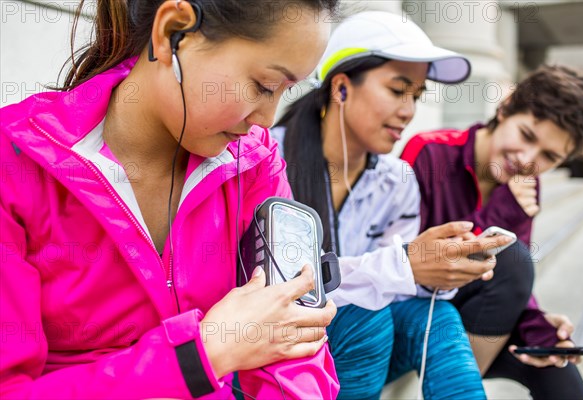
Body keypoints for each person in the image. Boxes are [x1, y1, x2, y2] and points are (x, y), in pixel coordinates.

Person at [0, 0, 342, 398]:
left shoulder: (254, 162)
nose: (267, 118)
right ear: (172, 31)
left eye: (285, 91)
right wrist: (200, 355)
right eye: (263, 86)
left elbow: (294, 343)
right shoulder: (16, 162)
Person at [273, 11, 512, 400]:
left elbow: (390, 286)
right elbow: (281, 288)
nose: (409, 111)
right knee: (368, 318)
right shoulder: (268, 158)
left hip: (358, 345)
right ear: (341, 88)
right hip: (276, 343)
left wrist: (436, 269)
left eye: (416, 96)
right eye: (397, 90)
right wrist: (405, 264)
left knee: (436, 317)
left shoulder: (397, 179)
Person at [401, 64, 583, 399]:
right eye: (527, 136)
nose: (528, 160)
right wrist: (500, 211)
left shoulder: (524, 185)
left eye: (549, 155)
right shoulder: (431, 152)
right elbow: (417, 262)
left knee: (555, 365)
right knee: (514, 260)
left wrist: (539, 327)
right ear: (505, 109)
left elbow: (510, 278)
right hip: (418, 313)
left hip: (475, 317)